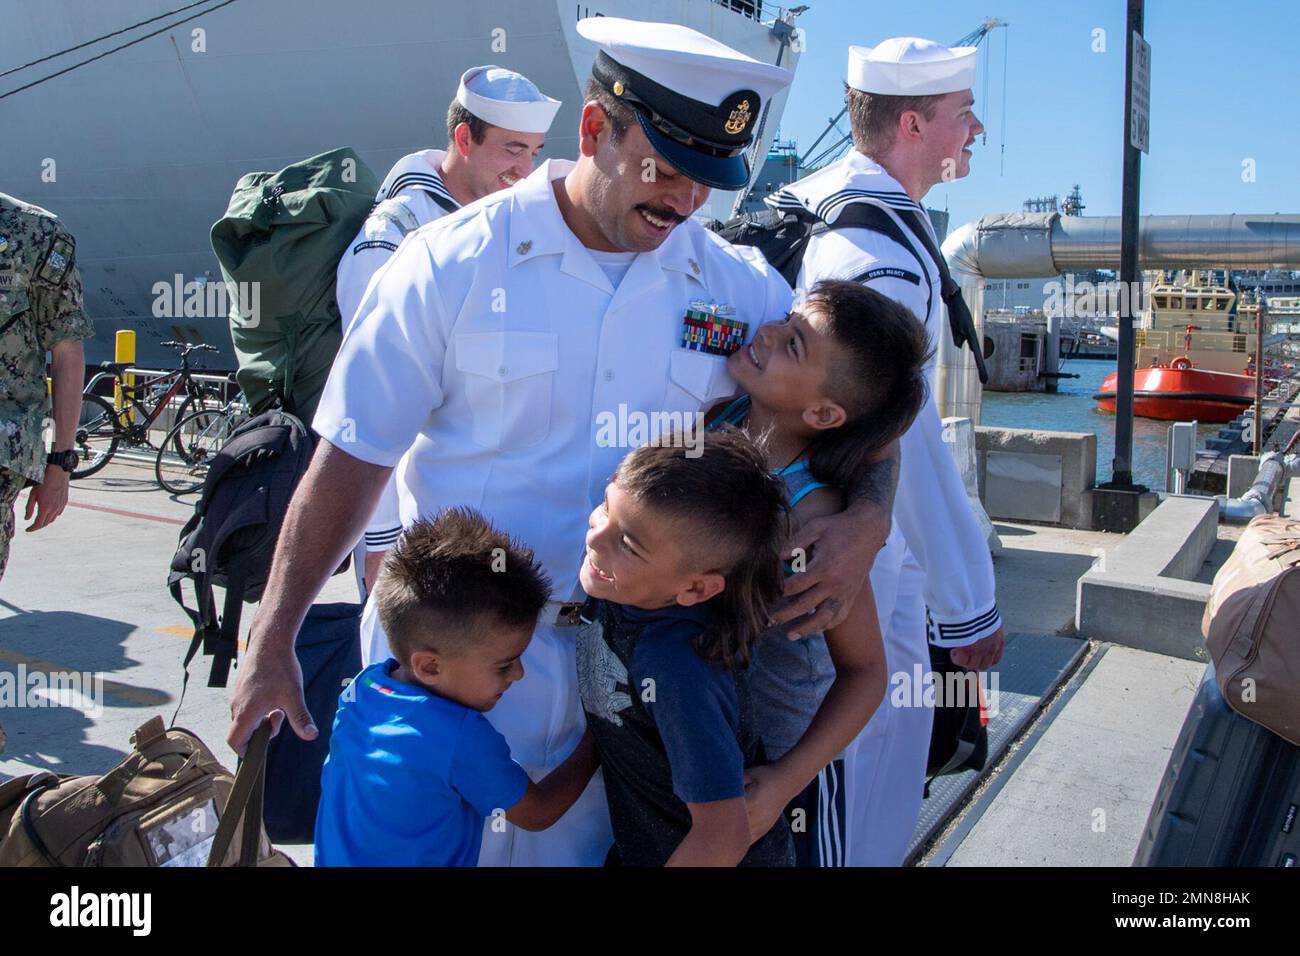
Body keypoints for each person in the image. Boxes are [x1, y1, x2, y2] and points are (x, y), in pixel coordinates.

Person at [230, 17, 896, 867]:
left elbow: (858, 403)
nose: (684, 202)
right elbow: (350, 459)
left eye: (704, 181)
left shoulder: (734, 289)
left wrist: (868, 519)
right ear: (593, 130)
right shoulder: (452, 264)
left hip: (620, 707)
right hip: (452, 685)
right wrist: (273, 638)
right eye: (663, 168)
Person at [765, 37, 1006, 865]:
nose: (975, 127)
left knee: (881, 759)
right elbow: (901, 433)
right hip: (856, 553)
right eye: (961, 114)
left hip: (845, 537)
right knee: (865, 775)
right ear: (913, 124)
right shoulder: (879, 256)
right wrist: (968, 598)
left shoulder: (834, 204)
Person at [705, 280, 931, 866]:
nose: (771, 332)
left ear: (825, 413)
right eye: (786, 321)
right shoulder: (718, 417)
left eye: (796, 345)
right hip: (698, 751)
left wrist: (783, 782)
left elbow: (866, 672)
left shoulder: (812, 521)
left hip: (779, 774)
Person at [336, 66, 561, 594]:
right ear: (464, 137)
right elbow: (366, 414)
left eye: (533, 151)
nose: (524, 169)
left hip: (497, 532)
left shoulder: (506, 232)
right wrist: (379, 546)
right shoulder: (391, 240)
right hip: (419, 540)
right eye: (511, 149)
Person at [313, 508, 599, 866]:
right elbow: (538, 813)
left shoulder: (365, 687)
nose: (519, 674)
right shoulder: (458, 737)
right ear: (430, 666)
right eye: (504, 664)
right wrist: (599, 739)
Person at [576, 429, 794, 866]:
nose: (596, 539)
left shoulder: (679, 670)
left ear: (696, 588)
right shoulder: (618, 592)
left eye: (628, 545)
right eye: (605, 508)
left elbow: (724, 836)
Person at [0, 193, 91, 755]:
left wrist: (60, 461)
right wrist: (58, 462)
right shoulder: (40, 230)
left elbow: (67, 352)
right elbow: (68, 351)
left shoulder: (36, 232)